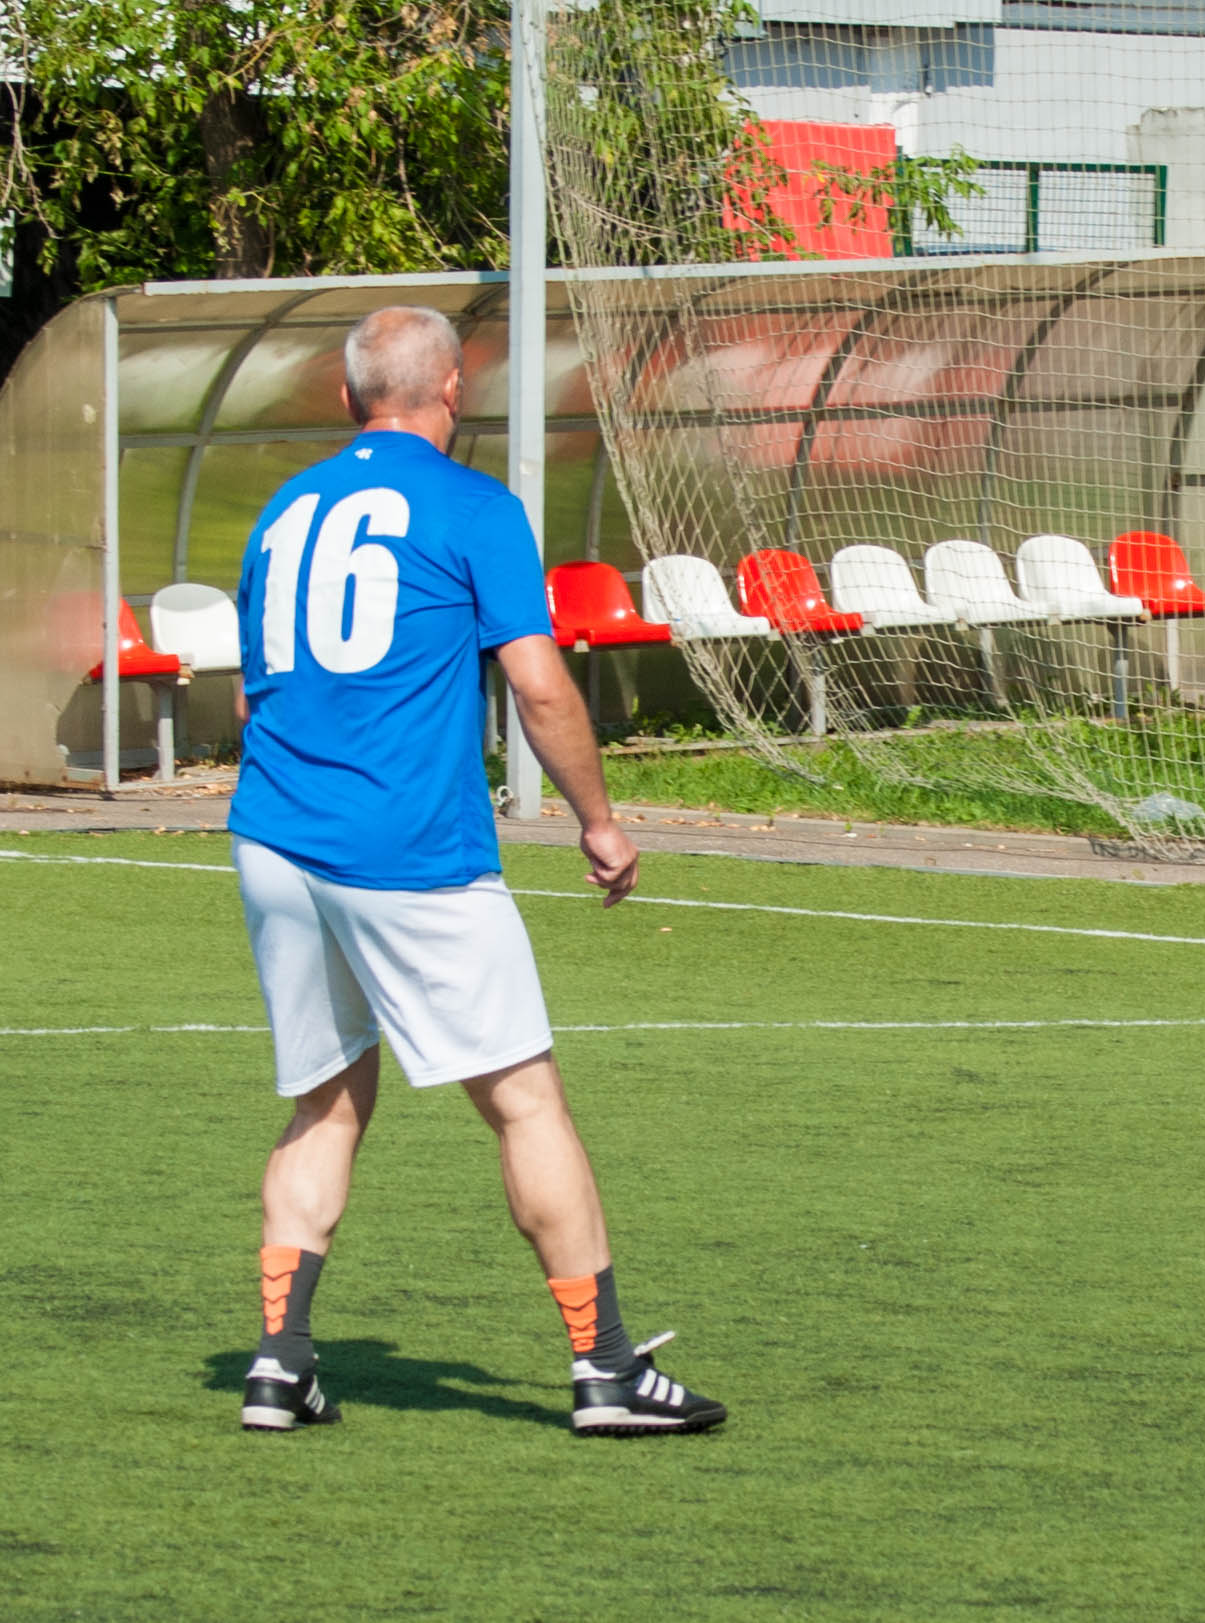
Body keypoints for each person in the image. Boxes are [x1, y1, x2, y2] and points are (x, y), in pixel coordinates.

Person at [229, 306, 726, 1434]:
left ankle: (278, 1364)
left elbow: (260, 694)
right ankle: (605, 1370)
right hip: (409, 850)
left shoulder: (282, 509)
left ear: (349, 397)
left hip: (273, 840)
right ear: (452, 390)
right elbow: (539, 687)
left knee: (326, 1099)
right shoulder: (473, 506)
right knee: (523, 1100)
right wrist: (600, 820)